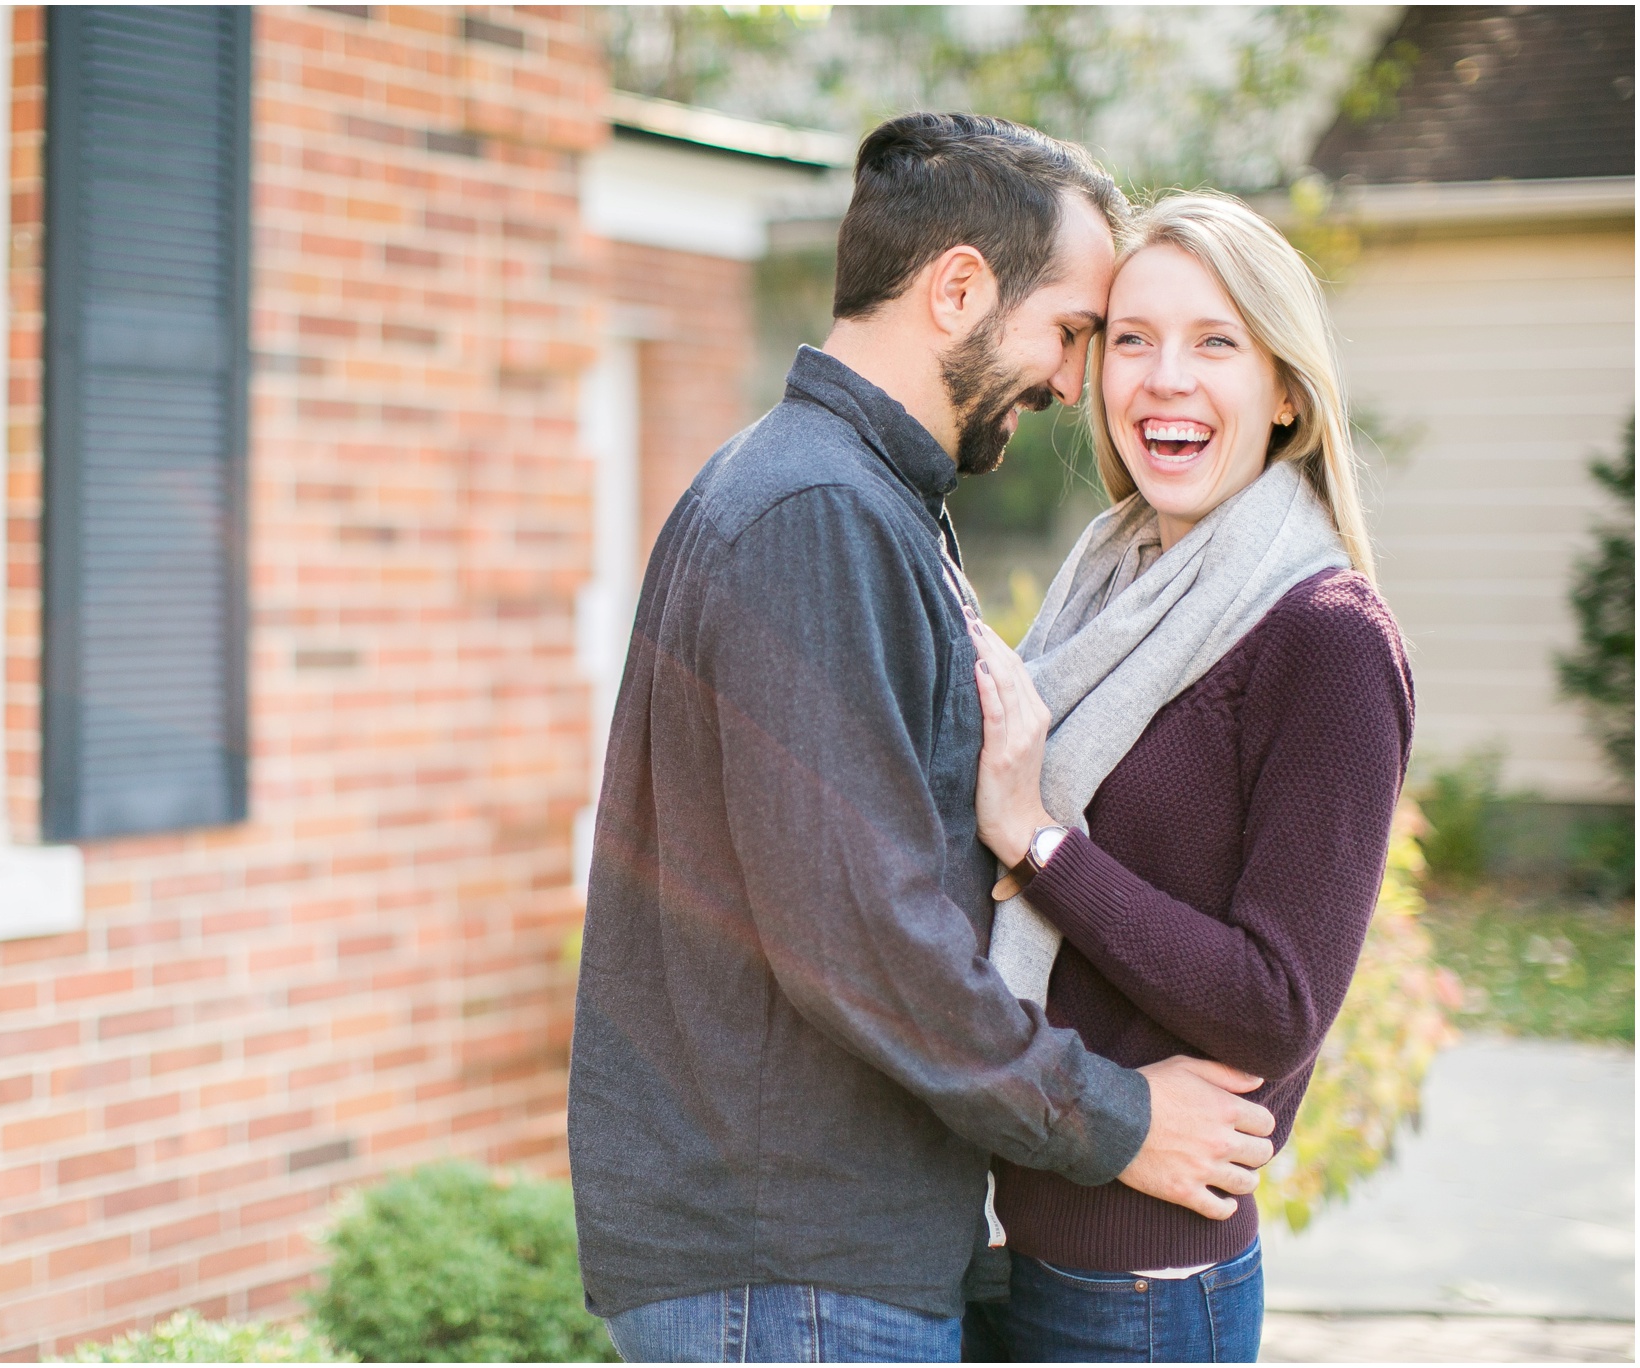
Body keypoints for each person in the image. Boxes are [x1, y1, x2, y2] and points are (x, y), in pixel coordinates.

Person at [567, 114, 1278, 1365]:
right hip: (785, 1275)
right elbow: (863, 939)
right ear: (957, 287)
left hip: (811, 1264)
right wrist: (1116, 1119)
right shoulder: (814, 516)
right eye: (1068, 331)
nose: (1074, 383)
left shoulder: (857, 499)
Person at [960, 191, 1415, 1363]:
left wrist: (1038, 844)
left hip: (1144, 1290)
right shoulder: (1111, 582)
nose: (1165, 377)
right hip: (1037, 1230)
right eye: (1131, 338)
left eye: (1214, 342)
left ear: (1283, 392)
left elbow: (1275, 1003)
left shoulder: (1323, 637)